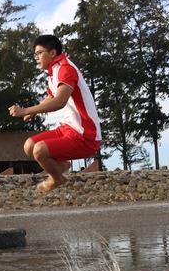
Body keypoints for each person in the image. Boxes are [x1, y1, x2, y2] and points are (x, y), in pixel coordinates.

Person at [8, 34, 102, 193]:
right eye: (35, 54)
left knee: (39, 150)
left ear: (52, 53)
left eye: (39, 53)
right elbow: (52, 96)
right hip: (68, 127)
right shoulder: (54, 71)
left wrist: (26, 110)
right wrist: (33, 111)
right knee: (29, 145)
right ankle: (62, 166)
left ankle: (57, 178)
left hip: (86, 134)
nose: (36, 58)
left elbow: (59, 101)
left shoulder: (66, 69)